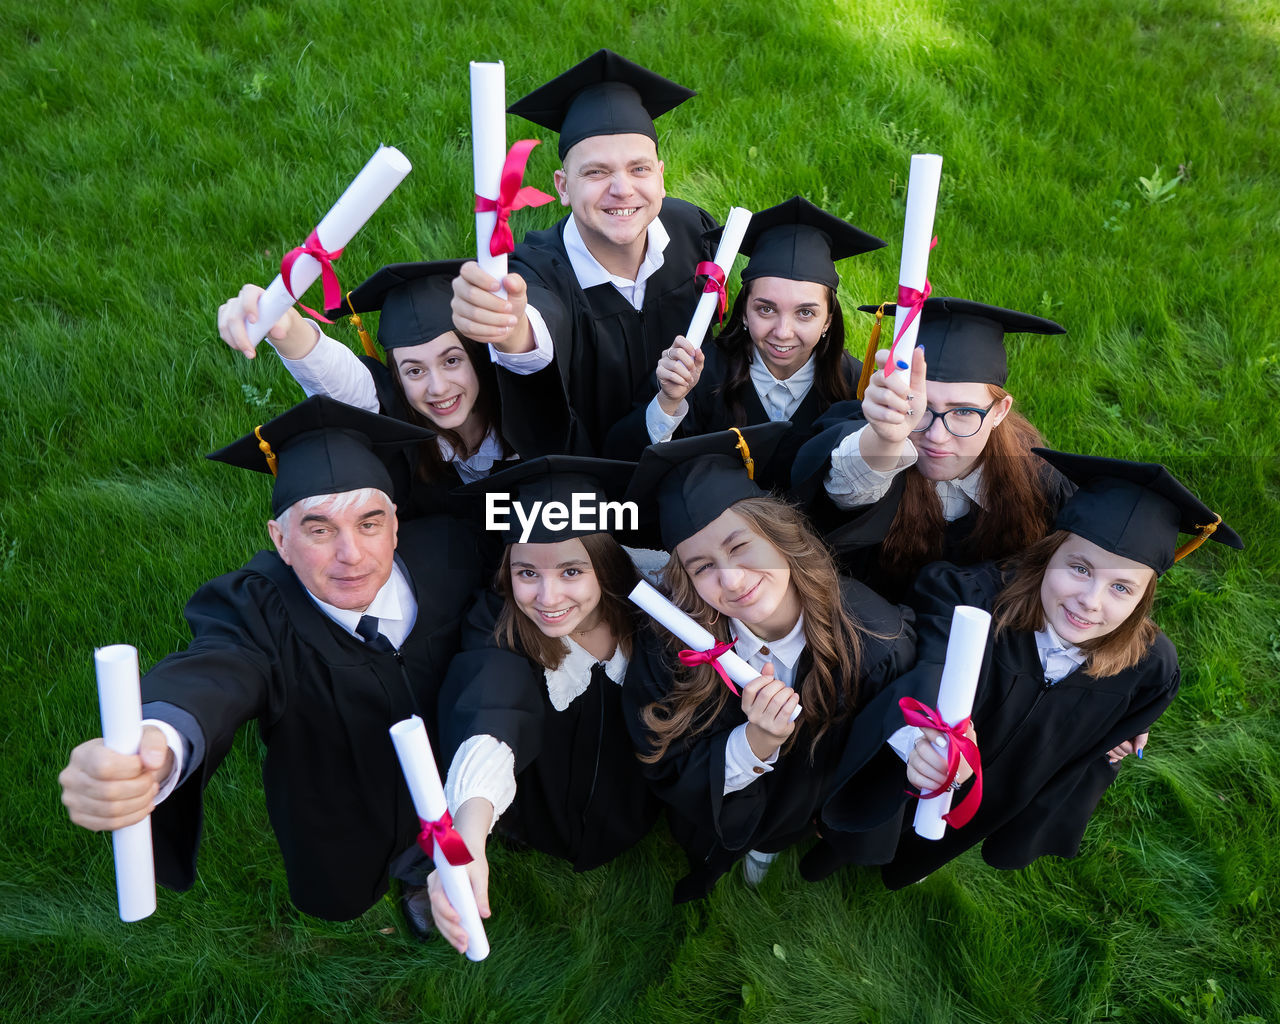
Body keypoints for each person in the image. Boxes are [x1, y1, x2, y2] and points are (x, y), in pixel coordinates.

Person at [57, 397, 483, 926]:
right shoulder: (258, 609)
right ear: (280, 540)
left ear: (396, 525)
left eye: (369, 524)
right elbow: (217, 668)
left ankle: (426, 873)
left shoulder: (451, 554)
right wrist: (156, 746)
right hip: (336, 796)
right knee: (343, 888)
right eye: (319, 529)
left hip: (443, 756)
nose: (351, 554)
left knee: (442, 822)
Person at [807, 449, 1243, 886]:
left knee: (926, 851)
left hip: (1001, 790)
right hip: (923, 762)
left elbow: (1095, 756)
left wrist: (1110, 744)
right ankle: (835, 849)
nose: (1091, 601)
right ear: (1048, 554)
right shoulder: (967, 597)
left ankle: (910, 862)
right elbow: (928, 669)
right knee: (866, 830)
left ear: (1144, 598)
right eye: (1079, 567)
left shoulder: (1151, 669)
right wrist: (924, 743)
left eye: (1121, 587)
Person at [619, 425, 917, 901]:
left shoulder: (874, 640)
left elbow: (873, 752)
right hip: (722, 804)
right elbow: (666, 760)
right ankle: (745, 846)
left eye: (740, 547)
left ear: (781, 536)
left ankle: (773, 844)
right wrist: (755, 743)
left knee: (790, 820)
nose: (732, 580)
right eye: (701, 567)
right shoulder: (672, 648)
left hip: (807, 800)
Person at [423, 456, 662, 955]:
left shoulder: (655, 616)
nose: (547, 597)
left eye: (572, 571)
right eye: (527, 572)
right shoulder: (500, 623)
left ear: (608, 563)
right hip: (537, 808)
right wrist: (464, 838)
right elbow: (492, 706)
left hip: (633, 804)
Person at [449, 49, 719, 454]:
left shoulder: (691, 229)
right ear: (562, 186)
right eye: (596, 172)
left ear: (661, 177)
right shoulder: (535, 268)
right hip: (587, 477)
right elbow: (534, 321)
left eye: (639, 168)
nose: (622, 189)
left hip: (693, 445)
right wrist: (510, 328)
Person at [216, 261, 548, 519]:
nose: (437, 387)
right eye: (414, 370)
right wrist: (284, 327)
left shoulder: (519, 400)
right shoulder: (393, 415)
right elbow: (337, 378)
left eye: (451, 361)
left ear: (477, 355)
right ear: (396, 378)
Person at [792, 297, 1073, 600]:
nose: (937, 436)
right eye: (922, 407)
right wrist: (885, 440)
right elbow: (847, 484)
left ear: (1000, 411)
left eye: (964, 412)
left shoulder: (1037, 479)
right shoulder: (876, 435)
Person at [605, 196, 885, 490]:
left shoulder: (856, 385)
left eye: (805, 313)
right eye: (766, 309)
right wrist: (668, 402)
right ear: (744, 313)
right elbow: (624, 460)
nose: (783, 332)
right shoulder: (699, 375)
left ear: (827, 320)